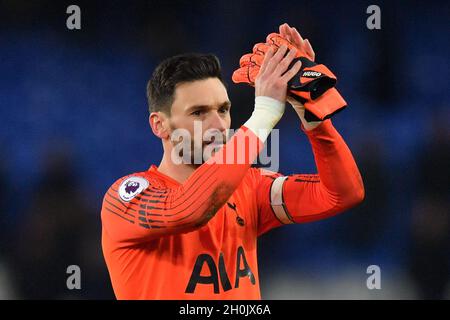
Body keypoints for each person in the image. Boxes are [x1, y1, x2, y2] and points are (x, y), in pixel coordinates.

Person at [101, 23, 364, 299]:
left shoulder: (247, 187)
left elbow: (342, 194)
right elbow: (188, 209)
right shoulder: (124, 199)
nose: (218, 124)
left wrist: (314, 117)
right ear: (160, 125)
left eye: (223, 109)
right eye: (199, 112)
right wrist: (264, 114)